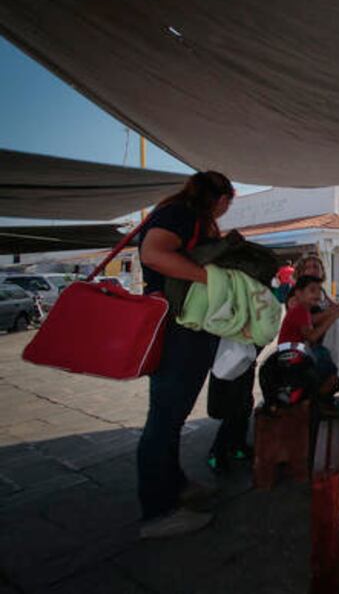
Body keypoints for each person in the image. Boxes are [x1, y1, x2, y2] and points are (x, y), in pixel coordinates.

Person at [136, 170, 235, 539]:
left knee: (172, 417)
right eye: (227, 204)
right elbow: (153, 253)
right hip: (177, 331)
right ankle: (158, 511)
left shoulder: (188, 215)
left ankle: (174, 485)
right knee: (163, 420)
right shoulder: (182, 213)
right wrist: (212, 279)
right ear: (222, 199)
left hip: (190, 331)